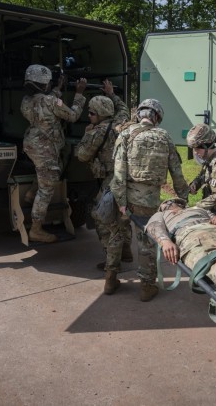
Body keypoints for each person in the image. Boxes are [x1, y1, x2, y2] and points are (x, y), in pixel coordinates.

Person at [109, 98, 189, 301]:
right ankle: (147, 286)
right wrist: (183, 199)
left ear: (140, 115)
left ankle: (110, 279)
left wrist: (121, 201)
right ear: (157, 117)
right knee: (146, 242)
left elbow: (118, 173)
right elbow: (177, 174)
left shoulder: (125, 135)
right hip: (149, 200)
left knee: (117, 236)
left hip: (124, 197)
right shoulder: (164, 137)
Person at [75, 80, 133, 289]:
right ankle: (126, 249)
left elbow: (82, 155)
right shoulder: (120, 121)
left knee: (102, 219)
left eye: (91, 113)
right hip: (126, 178)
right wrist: (112, 94)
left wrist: (86, 133)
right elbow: (123, 108)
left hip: (109, 180)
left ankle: (111, 261)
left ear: (99, 114)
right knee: (123, 214)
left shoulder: (96, 132)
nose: (89, 116)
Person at [21, 64, 87, 242]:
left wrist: (58, 88)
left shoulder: (26, 101)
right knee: (47, 188)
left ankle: (29, 194)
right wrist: (79, 94)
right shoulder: (50, 101)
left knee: (44, 170)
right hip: (45, 147)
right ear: (44, 84)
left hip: (32, 143)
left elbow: (46, 102)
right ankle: (36, 229)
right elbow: (72, 115)